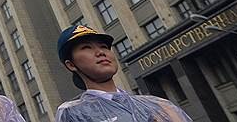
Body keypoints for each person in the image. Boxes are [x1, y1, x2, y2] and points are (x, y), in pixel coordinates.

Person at [55, 24, 193, 122]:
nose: (100, 52)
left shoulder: (158, 105)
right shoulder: (73, 113)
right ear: (71, 64)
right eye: (86, 47)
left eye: (104, 46)